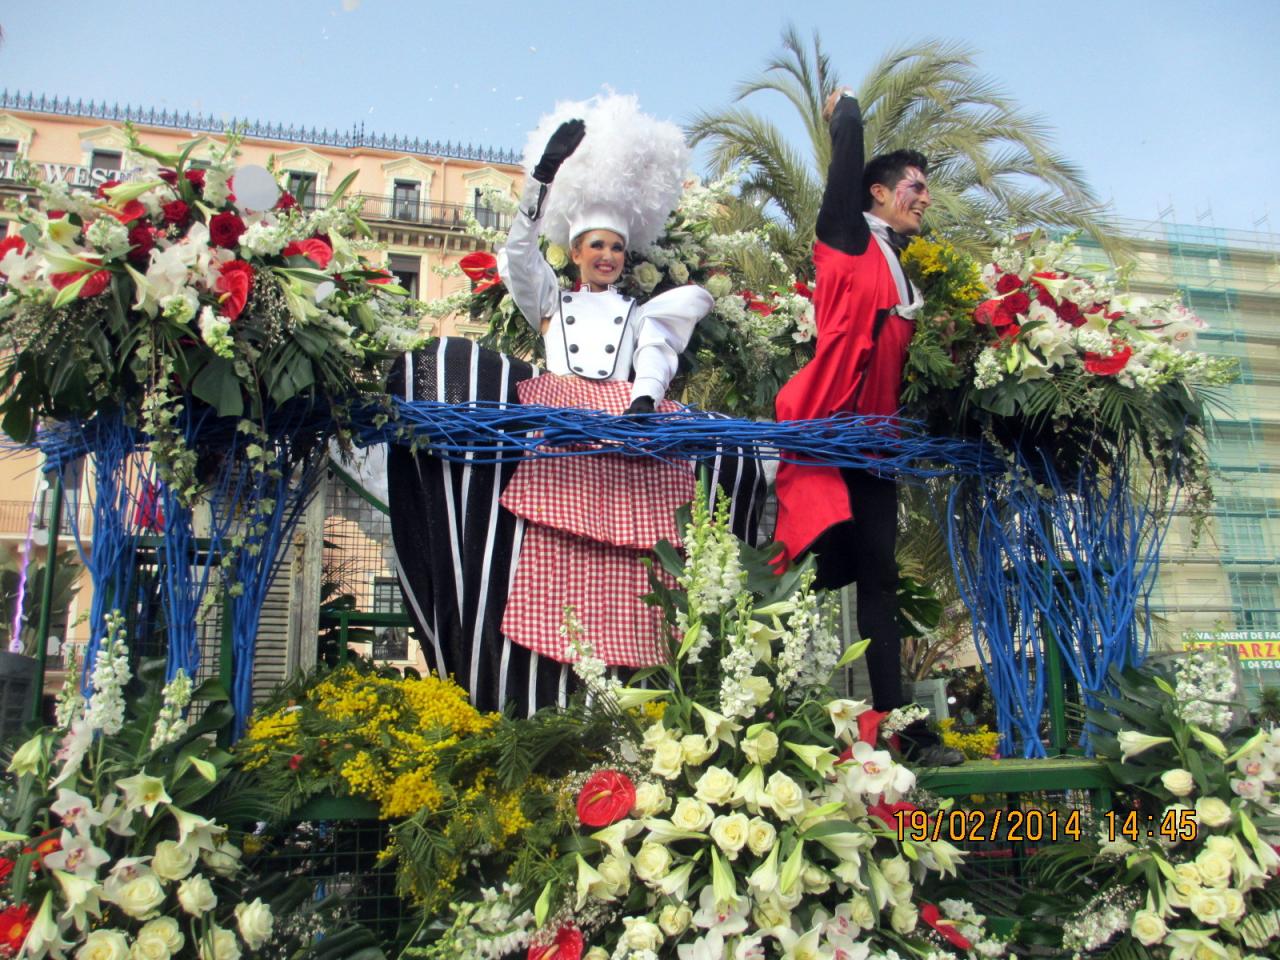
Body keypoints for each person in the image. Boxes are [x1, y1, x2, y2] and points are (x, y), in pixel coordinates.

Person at [385, 95, 764, 717]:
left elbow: (656, 353)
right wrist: (542, 180)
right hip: (562, 416)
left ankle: (631, 692)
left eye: (616, 247)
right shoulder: (550, 301)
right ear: (577, 250)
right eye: (596, 245)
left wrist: (645, 399)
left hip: (623, 419)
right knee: (552, 547)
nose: (607, 256)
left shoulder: (640, 312)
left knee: (636, 556)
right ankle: (549, 696)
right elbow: (517, 255)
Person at [773, 87, 963, 767]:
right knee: (801, 572)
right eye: (915, 186)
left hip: (876, 443)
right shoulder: (845, 237)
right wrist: (845, 109)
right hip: (827, 432)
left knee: (879, 580)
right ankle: (766, 722)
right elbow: (847, 154)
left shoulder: (903, 266)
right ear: (877, 193)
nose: (925, 198)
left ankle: (900, 730)